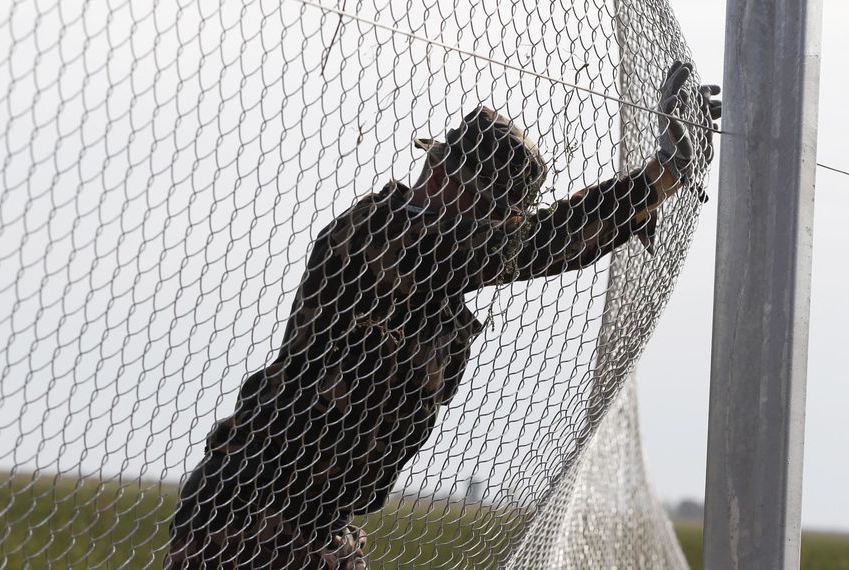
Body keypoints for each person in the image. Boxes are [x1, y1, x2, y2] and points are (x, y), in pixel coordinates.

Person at [165, 62, 721, 569]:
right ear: (451, 185)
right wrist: (656, 178)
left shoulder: (448, 260)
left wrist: (654, 183)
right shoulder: (378, 234)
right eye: (500, 213)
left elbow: (544, 241)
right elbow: (541, 243)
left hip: (310, 526)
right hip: (244, 513)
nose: (508, 225)